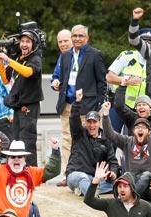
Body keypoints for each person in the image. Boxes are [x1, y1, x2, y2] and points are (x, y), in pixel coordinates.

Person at [53, 25, 106, 180]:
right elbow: (62, 78)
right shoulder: (65, 55)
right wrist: (56, 83)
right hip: (67, 104)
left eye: (80, 36)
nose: (77, 38)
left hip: (87, 106)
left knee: (88, 142)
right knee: (67, 140)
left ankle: (91, 175)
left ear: (87, 38)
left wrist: (97, 107)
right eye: (74, 35)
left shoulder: (95, 55)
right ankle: (67, 174)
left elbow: (102, 83)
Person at [100, 100, 151, 199]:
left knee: (146, 175)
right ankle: (125, 196)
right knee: (126, 176)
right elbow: (110, 134)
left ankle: (127, 198)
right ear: (133, 131)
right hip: (134, 183)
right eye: (137, 127)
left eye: (143, 128)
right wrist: (105, 115)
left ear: (149, 131)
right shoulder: (127, 141)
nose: (140, 129)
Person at [0, 136, 60, 217]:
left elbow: (52, 171)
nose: (16, 159)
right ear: (8, 159)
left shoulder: (32, 173)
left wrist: (55, 150)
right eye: (12, 157)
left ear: (25, 159)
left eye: (20, 157)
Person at [0, 29, 43, 166]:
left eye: (28, 41)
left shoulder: (35, 58)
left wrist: (8, 60)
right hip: (17, 105)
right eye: (22, 41)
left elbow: (28, 72)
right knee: (16, 140)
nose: (24, 44)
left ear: (33, 44)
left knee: (27, 139)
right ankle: (19, 171)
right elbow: (5, 80)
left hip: (30, 105)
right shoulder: (18, 58)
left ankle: (31, 172)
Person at [66, 90, 118, 197]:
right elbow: (74, 120)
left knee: (118, 183)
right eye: (89, 122)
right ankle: (92, 196)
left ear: (99, 123)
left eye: (94, 122)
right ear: (85, 123)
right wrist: (77, 102)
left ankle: (84, 189)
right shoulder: (79, 134)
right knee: (82, 178)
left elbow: (113, 161)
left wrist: (113, 173)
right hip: (76, 174)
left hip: (94, 178)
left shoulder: (106, 140)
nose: (92, 125)